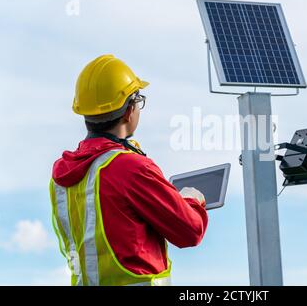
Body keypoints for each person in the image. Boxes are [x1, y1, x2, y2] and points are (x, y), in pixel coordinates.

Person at [49, 54, 208, 286]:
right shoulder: (130, 168)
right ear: (128, 111)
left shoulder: (61, 176)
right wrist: (191, 201)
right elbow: (190, 231)